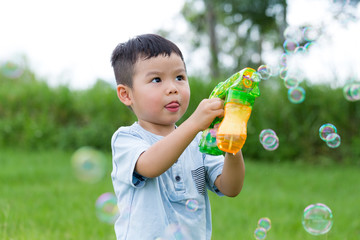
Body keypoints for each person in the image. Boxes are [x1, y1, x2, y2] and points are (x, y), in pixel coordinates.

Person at [110, 33, 245, 240]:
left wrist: (233, 145)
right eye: (156, 79)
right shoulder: (127, 139)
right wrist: (194, 123)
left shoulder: (199, 143)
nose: (173, 88)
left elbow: (230, 187)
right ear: (126, 94)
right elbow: (151, 166)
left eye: (180, 77)